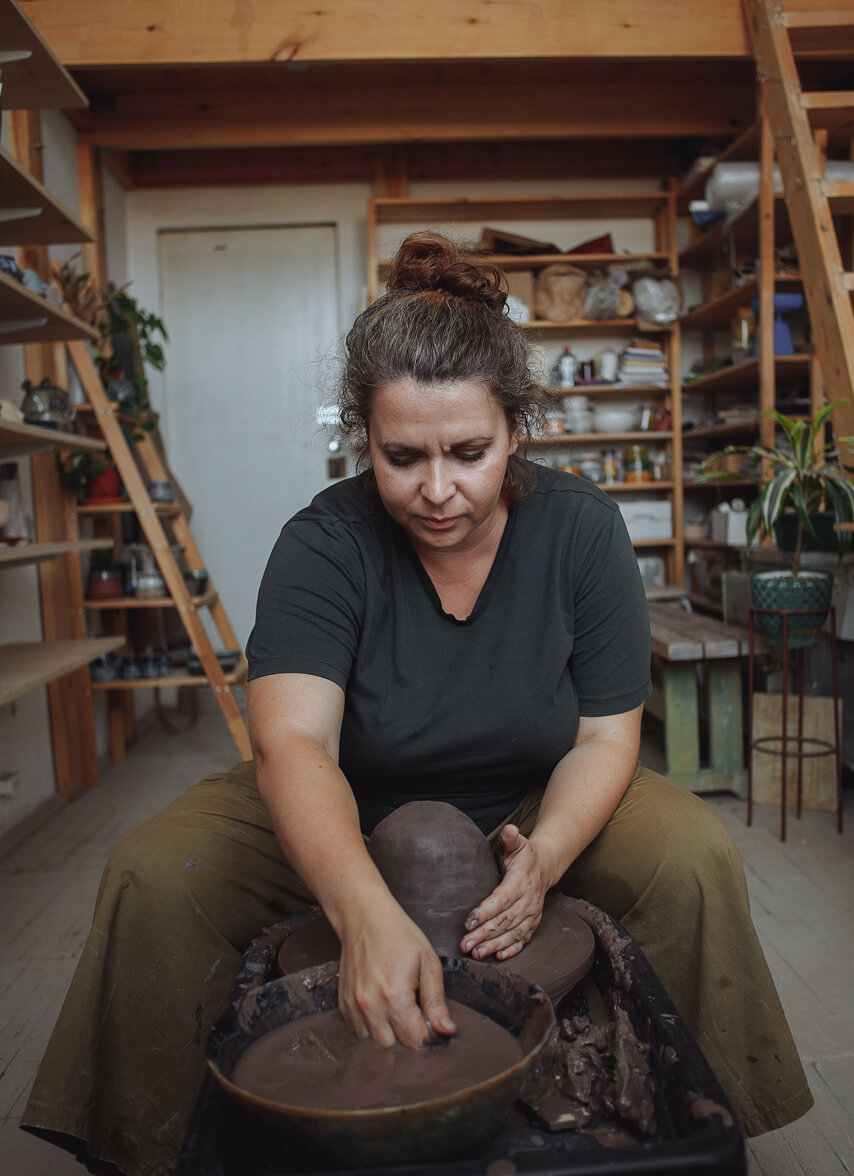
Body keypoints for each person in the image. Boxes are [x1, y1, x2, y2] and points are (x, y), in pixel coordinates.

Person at [22, 232, 812, 1176]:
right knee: (155, 876)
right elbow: (294, 748)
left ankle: (700, 1137)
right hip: (350, 797)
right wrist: (361, 909)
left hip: (530, 797)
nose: (438, 490)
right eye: (402, 458)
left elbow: (605, 736)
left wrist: (549, 854)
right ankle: (142, 1150)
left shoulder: (582, 532)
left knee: (692, 856)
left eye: (469, 453)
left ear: (518, 428)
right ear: (363, 439)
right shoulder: (325, 544)